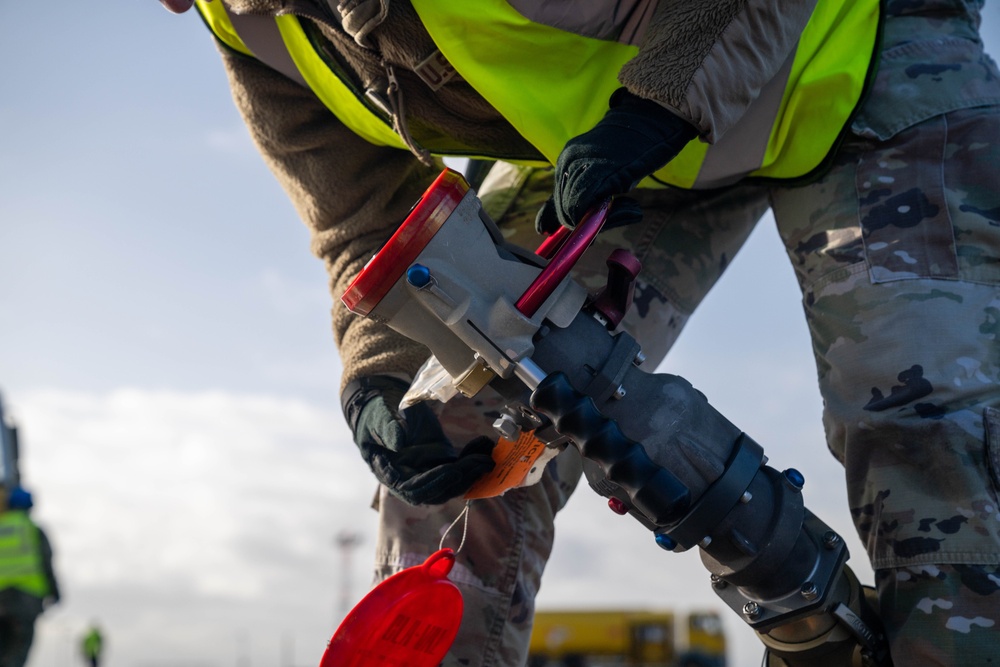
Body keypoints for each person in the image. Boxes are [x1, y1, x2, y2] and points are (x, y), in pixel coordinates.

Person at [161, 0, 1000, 664]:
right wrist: (375, 374)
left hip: (852, 44)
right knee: (455, 443)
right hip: (608, 144)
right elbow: (359, 217)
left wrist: (664, 101)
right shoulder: (240, 16)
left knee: (927, 433)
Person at [0, 487, 61, 667]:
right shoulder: (32, 530)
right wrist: (55, 592)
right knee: (17, 653)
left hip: (1, 600)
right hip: (26, 600)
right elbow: (46, 562)